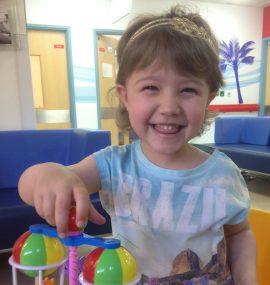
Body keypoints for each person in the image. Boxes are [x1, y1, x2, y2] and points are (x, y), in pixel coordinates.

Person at [19, 5, 257, 285]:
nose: (169, 107)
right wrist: (47, 174)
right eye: (151, 88)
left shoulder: (223, 173)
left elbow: (239, 234)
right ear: (125, 97)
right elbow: (29, 186)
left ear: (208, 98)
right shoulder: (112, 165)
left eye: (188, 90)